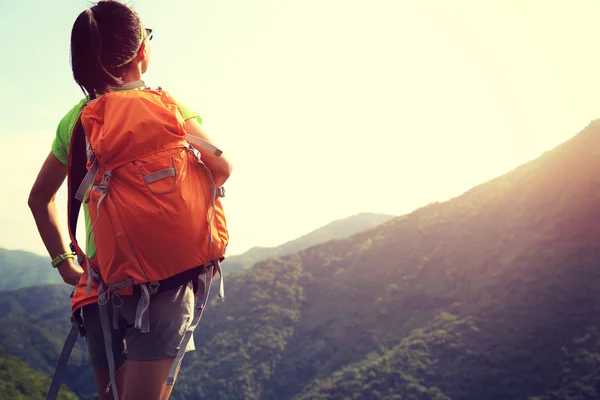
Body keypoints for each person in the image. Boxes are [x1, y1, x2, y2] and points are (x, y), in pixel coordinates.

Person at [27, 1, 232, 399]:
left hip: (100, 285)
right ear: (141, 52)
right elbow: (222, 168)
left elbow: (39, 200)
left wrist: (66, 265)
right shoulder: (170, 107)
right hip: (166, 286)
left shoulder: (77, 120)